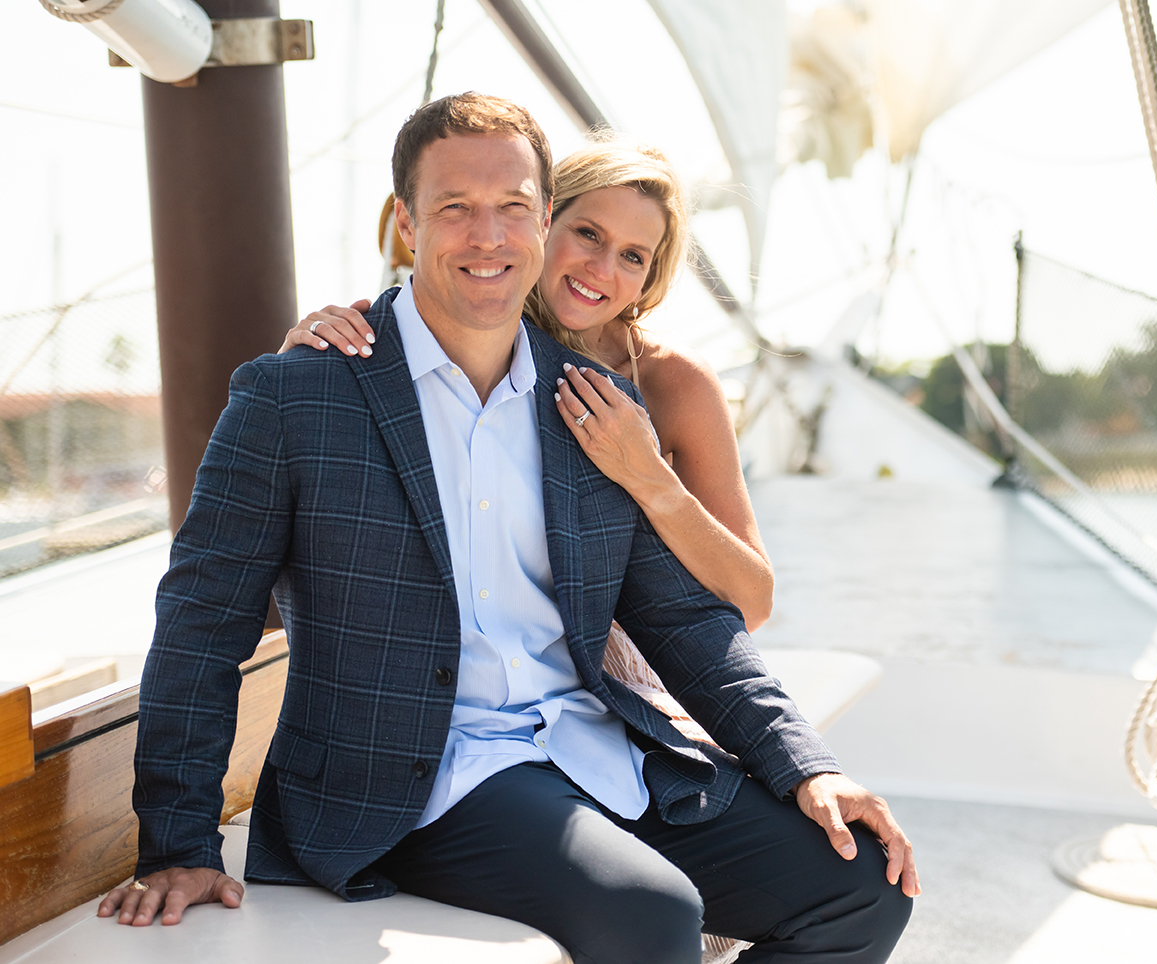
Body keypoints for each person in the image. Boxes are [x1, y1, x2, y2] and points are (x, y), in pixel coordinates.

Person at [99, 93, 916, 964]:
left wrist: (809, 766)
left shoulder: (596, 407)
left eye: (513, 207)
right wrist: (177, 843)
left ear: (540, 218)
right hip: (412, 783)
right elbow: (203, 622)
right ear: (407, 223)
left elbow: (686, 620)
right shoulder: (298, 393)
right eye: (455, 207)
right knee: (651, 912)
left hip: (590, 747)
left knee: (864, 887)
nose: (488, 236)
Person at [283, 135, 766, 731]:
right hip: (463, 692)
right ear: (541, 221)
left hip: (633, 684)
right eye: (588, 234)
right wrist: (308, 362)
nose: (602, 269)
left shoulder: (673, 383)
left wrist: (648, 477)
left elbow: (753, 600)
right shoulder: (447, 348)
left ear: (650, 276)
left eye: (633, 256)